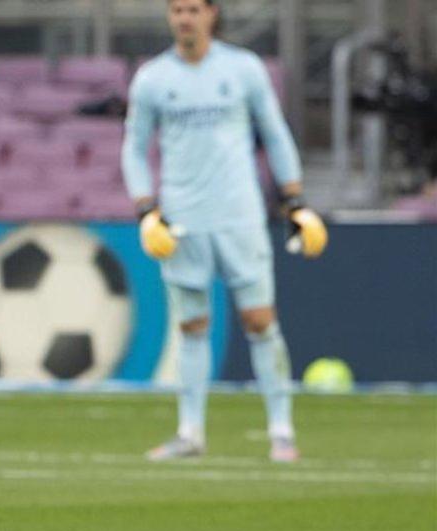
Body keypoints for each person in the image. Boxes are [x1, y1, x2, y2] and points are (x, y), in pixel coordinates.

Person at [122, 0, 328, 463]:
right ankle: (190, 432)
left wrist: (293, 198)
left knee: (260, 321)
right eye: (176, 9)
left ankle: (281, 432)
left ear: (212, 14)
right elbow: (134, 150)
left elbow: (274, 133)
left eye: (193, 9)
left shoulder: (243, 69)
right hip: (182, 220)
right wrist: (146, 209)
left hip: (239, 216)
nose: (184, 18)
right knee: (192, 325)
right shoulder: (153, 78)